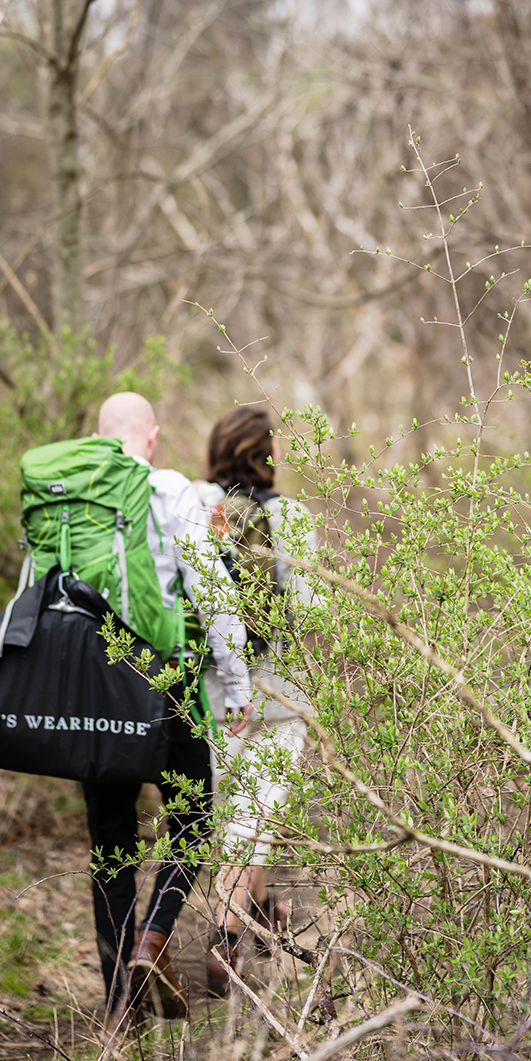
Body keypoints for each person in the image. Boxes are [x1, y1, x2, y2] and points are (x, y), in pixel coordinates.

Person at [84, 392, 253, 1028]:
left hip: (94, 688)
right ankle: (153, 938)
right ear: (151, 437)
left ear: (98, 438)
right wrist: (235, 683)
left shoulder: (74, 495)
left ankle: (118, 1000)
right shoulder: (174, 492)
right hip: (167, 682)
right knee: (195, 819)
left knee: (111, 842)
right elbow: (210, 586)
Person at [192, 404, 316, 996]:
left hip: (218, 689)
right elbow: (312, 606)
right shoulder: (289, 515)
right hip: (281, 688)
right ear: (269, 453)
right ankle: (227, 932)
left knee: (235, 818)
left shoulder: (201, 509)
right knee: (255, 818)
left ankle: (260, 909)